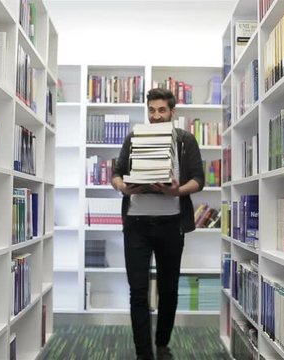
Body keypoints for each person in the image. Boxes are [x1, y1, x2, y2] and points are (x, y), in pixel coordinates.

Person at [111, 88, 205, 360]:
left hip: (171, 225)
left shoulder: (185, 140)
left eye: (162, 110)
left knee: (169, 289)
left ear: (172, 112)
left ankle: (162, 344)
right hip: (137, 224)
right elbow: (116, 174)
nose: (156, 115)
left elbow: (199, 179)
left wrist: (176, 191)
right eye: (152, 110)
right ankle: (144, 354)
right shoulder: (134, 136)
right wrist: (123, 188)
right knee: (138, 291)